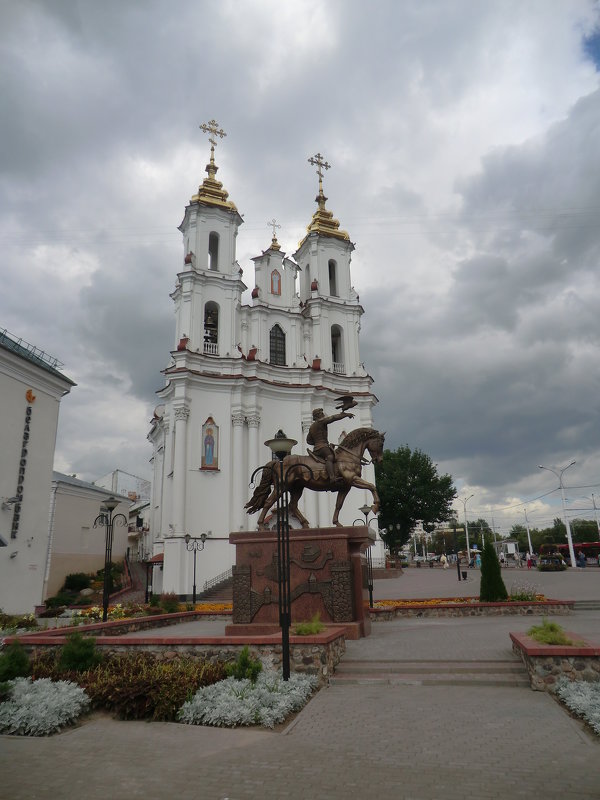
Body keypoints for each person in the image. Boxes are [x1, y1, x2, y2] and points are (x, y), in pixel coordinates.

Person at [307, 407, 355, 483]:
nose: (323, 415)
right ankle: (332, 478)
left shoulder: (312, 427)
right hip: (322, 447)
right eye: (321, 413)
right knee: (330, 456)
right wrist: (344, 415)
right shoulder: (321, 422)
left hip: (317, 449)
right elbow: (333, 418)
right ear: (318, 415)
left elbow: (308, 441)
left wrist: (317, 443)